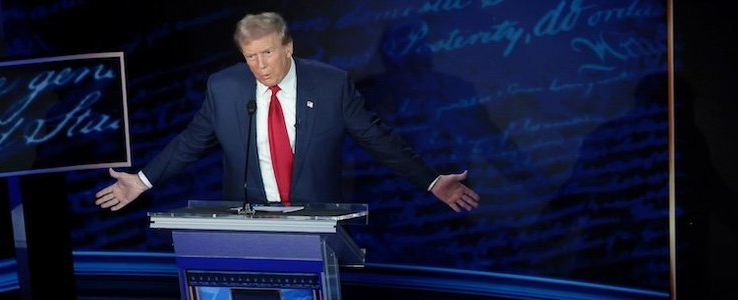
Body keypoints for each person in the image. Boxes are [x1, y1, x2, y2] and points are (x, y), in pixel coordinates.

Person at [94, 11, 479, 212]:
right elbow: (192, 141)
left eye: (267, 52)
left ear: (288, 47)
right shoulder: (225, 88)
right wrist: (141, 181)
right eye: (250, 56)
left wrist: (431, 182)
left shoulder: (330, 85)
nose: (260, 65)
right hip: (248, 221)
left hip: (315, 220)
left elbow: (378, 138)